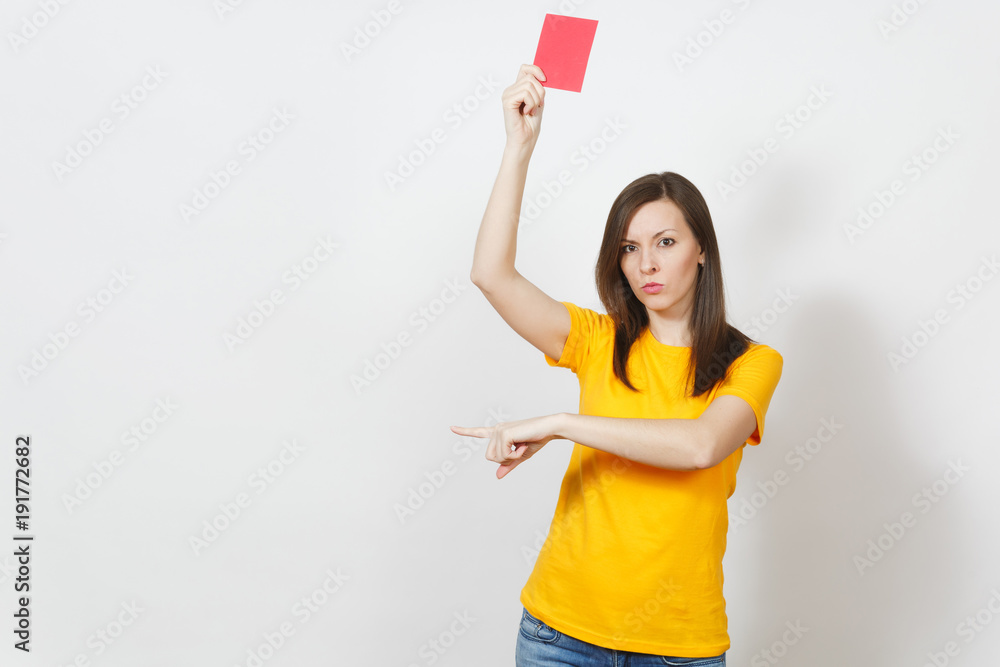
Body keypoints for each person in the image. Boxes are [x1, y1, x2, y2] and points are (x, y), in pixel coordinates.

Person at [450, 64, 783, 667]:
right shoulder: (597, 339)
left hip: (678, 649)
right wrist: (519, 148)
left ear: (701, 250)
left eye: (665, 242)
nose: (646, 264)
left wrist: (561, 424)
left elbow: (701, 446)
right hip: (558, 637)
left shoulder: (751, 362)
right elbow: (490, 275)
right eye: (630, 248)